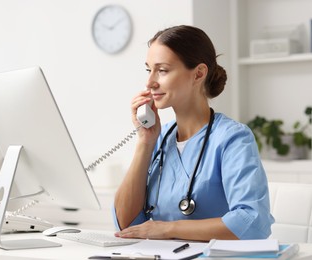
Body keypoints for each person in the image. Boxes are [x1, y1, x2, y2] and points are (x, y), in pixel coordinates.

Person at [113, 25, 274, 241]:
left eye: (162, 70)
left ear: (198, 74)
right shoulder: (159, 140)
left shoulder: (232, 138)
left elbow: (252, 221)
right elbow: (127, 224)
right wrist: (144, 142)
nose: (149, 82)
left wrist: (168, 229)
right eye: (148, 70)